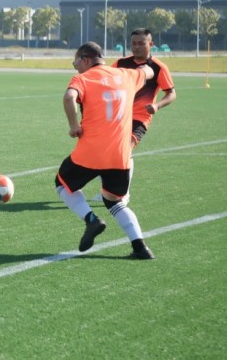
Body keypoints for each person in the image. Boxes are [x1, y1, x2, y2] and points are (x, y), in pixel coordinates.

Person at [55, 41, 156, 259]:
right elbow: (149, 71)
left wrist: (74, 126)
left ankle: (91, 220)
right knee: (113, 201)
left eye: (75, 62)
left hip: (90, 153)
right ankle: (140, 248)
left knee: (62, 183)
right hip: (120, 155)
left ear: (85, 60)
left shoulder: (83, 79)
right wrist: (145, 64)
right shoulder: (127, 75)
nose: (75, 67)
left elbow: (69, 97)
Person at [90, 27, 177, 203]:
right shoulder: (121, 63)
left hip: (139, 118)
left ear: (151, 44)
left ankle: (123, 194)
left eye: (141, 43)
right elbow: (106, 80)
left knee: (124, 150)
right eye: (133, 43)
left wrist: (157, 105)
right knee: (103, 152)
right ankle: (108, 191)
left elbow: (171, 93)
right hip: (118, 117)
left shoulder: (158, 68)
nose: (136, 47)